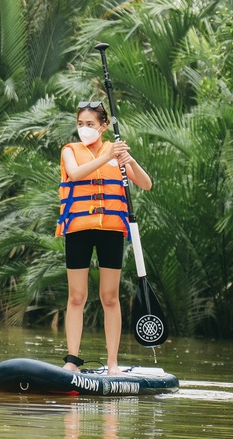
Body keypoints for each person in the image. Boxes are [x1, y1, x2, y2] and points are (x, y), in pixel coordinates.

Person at [56, 101, 152, 375]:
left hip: (110, 230)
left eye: (90, 124)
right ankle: (72, 360)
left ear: (103, 126)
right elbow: (74, 174)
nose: (84, 129)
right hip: (79, 229)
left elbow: (146, 184)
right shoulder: (70, 151)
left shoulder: (116, 151)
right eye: (80, 124)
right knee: (77, 296)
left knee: (110, 297)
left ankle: (112, 363)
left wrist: (127, 158)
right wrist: (107, 155)